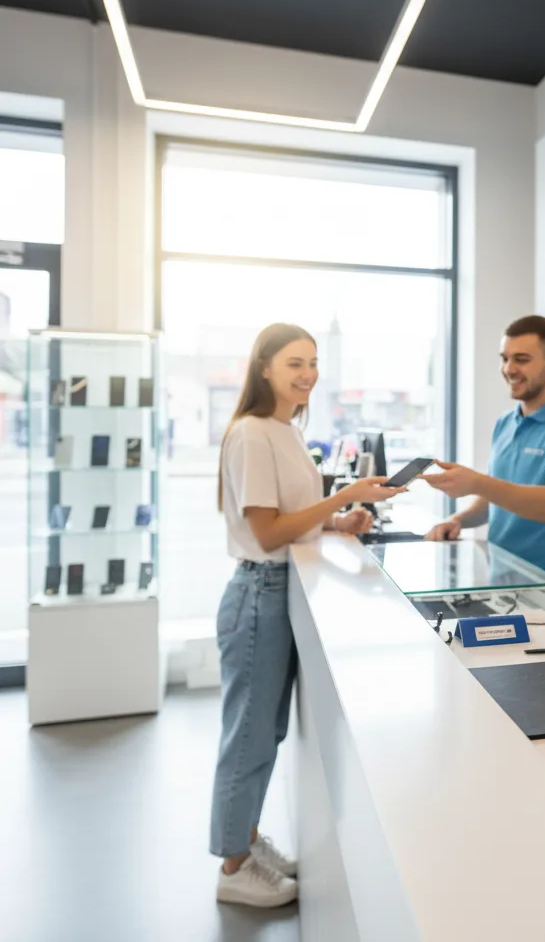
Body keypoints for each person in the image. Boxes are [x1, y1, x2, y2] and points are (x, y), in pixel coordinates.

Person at [211, 323, 405, 907]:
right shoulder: (251, 434)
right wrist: (344, 498)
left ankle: (243, 839)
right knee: (247, 736)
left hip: (277, 590)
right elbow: (267, 531)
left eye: (314, 362)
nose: (308, 374)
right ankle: (233, 866)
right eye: (294, 363)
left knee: (263, 732)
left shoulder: (284, 430)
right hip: (258, 593)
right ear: (264, 367)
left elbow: (291, 514)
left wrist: (337, 522)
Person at [423, 315, 545, 602]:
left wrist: (478, 482)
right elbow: (497, 498)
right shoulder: (504, 424)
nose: (509, 369)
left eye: (521, 359)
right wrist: (458, 519)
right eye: (504, 359)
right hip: (502, 588)